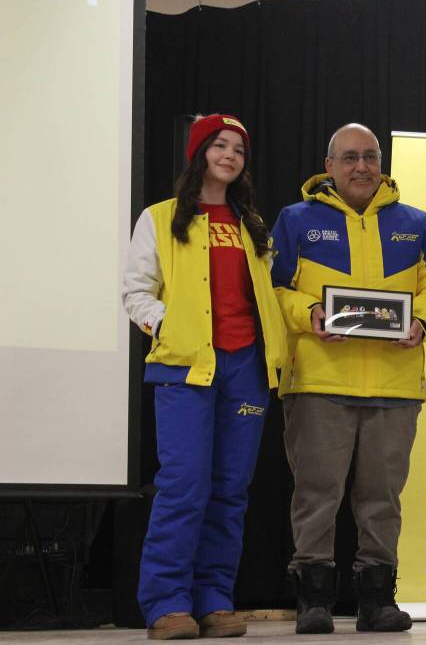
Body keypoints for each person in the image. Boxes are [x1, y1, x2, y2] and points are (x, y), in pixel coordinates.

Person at [270, 124, 426, 635]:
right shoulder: (295, 220)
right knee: (316, 494)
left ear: (381, 163)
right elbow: (274, 288)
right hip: (317, 382)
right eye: (350, 157)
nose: (362, 167)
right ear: (328, 165)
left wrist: (421, 323)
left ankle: (377, 602)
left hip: (394, 388)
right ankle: (314, 602)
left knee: (382, 499)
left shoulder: (416, 225)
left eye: (370, 157)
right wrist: (308, 311)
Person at [122, 114, 287, 640]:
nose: (230, 155)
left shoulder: (253, 224)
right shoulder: (161, 217)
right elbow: (135, 292)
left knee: (230, 490)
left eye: (239, 148)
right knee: (183, 485)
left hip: (246, 367)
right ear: (199, 154)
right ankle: (167, 604)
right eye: (220, 145)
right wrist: (169, 324)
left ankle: (215, 599)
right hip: (186, 365)